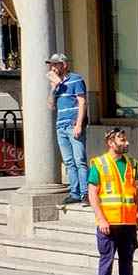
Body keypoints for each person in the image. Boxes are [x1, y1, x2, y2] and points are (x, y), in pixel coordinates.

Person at [87, 127, 138, 275]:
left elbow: (135, 191)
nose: (126, 143)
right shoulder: (99, 163)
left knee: (127, 261)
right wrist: (101, 219)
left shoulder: (132, 163)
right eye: (122, 140)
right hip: (108, 223)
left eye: (126, 139)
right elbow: (92, 194)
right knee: (107, 261)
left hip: (128, 222)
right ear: (111, 143)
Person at [47, 53, 87, 204]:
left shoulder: (76, 79)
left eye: (55, 64)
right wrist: (53, 88)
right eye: (51, 65)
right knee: (69, 162)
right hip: (60, 126)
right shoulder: (57, 84)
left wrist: (78, 124)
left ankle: (85, 193)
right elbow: (50, 106)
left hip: (72, 123)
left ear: (64, 65)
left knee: (79, 160)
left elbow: (82, 102)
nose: (53, 68)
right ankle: (75, 193)